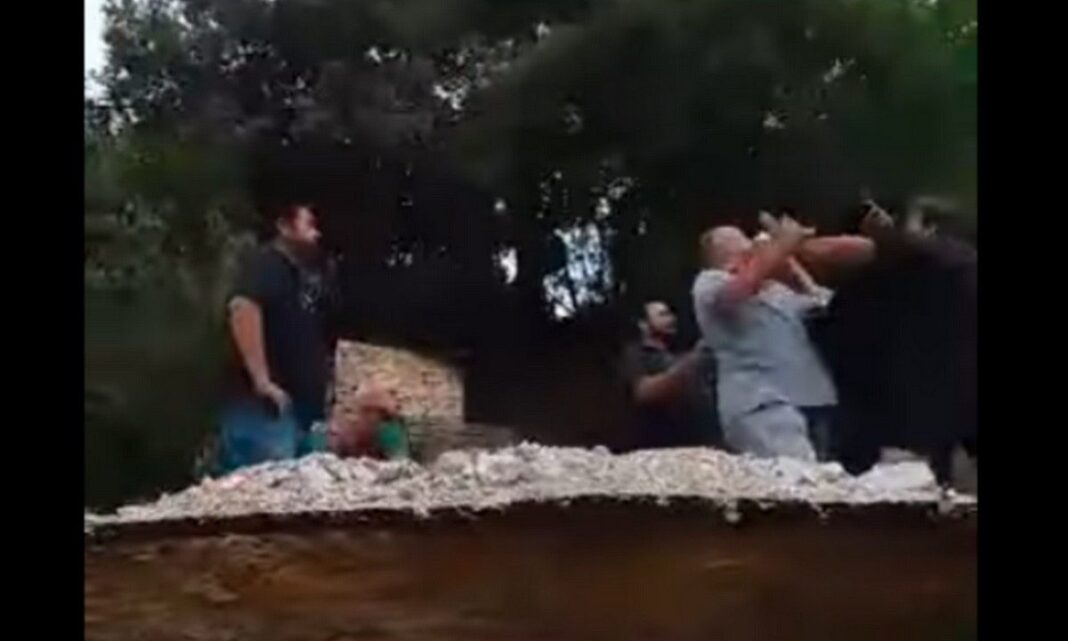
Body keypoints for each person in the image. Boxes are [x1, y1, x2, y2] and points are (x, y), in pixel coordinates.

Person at [691, 216, 837, 461]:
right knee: (795, 477)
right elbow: (735, 294)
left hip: (810, 403)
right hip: (760, 405)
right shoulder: (709, 282)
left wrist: (790, 262)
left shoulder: (776, 290)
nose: (746, 243)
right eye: (731, 240)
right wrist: (781, 245)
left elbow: (825, 306)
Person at [218, 202, 339, 473]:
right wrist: (262, 381)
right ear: (284, 226)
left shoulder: (303, 278)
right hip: (267, 410)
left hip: (300, 410)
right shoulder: (266, 264)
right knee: (266, 484)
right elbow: (242, 307)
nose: (317, 234)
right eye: (309, 225)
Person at [620, 300, 721, 450]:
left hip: (698, 445)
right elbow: (643, 392)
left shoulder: (676, 355)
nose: (671, 319)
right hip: (659, 446)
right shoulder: (635, 354)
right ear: (643, 325)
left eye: (670, 314)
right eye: (662, 315)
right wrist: (691, 364)